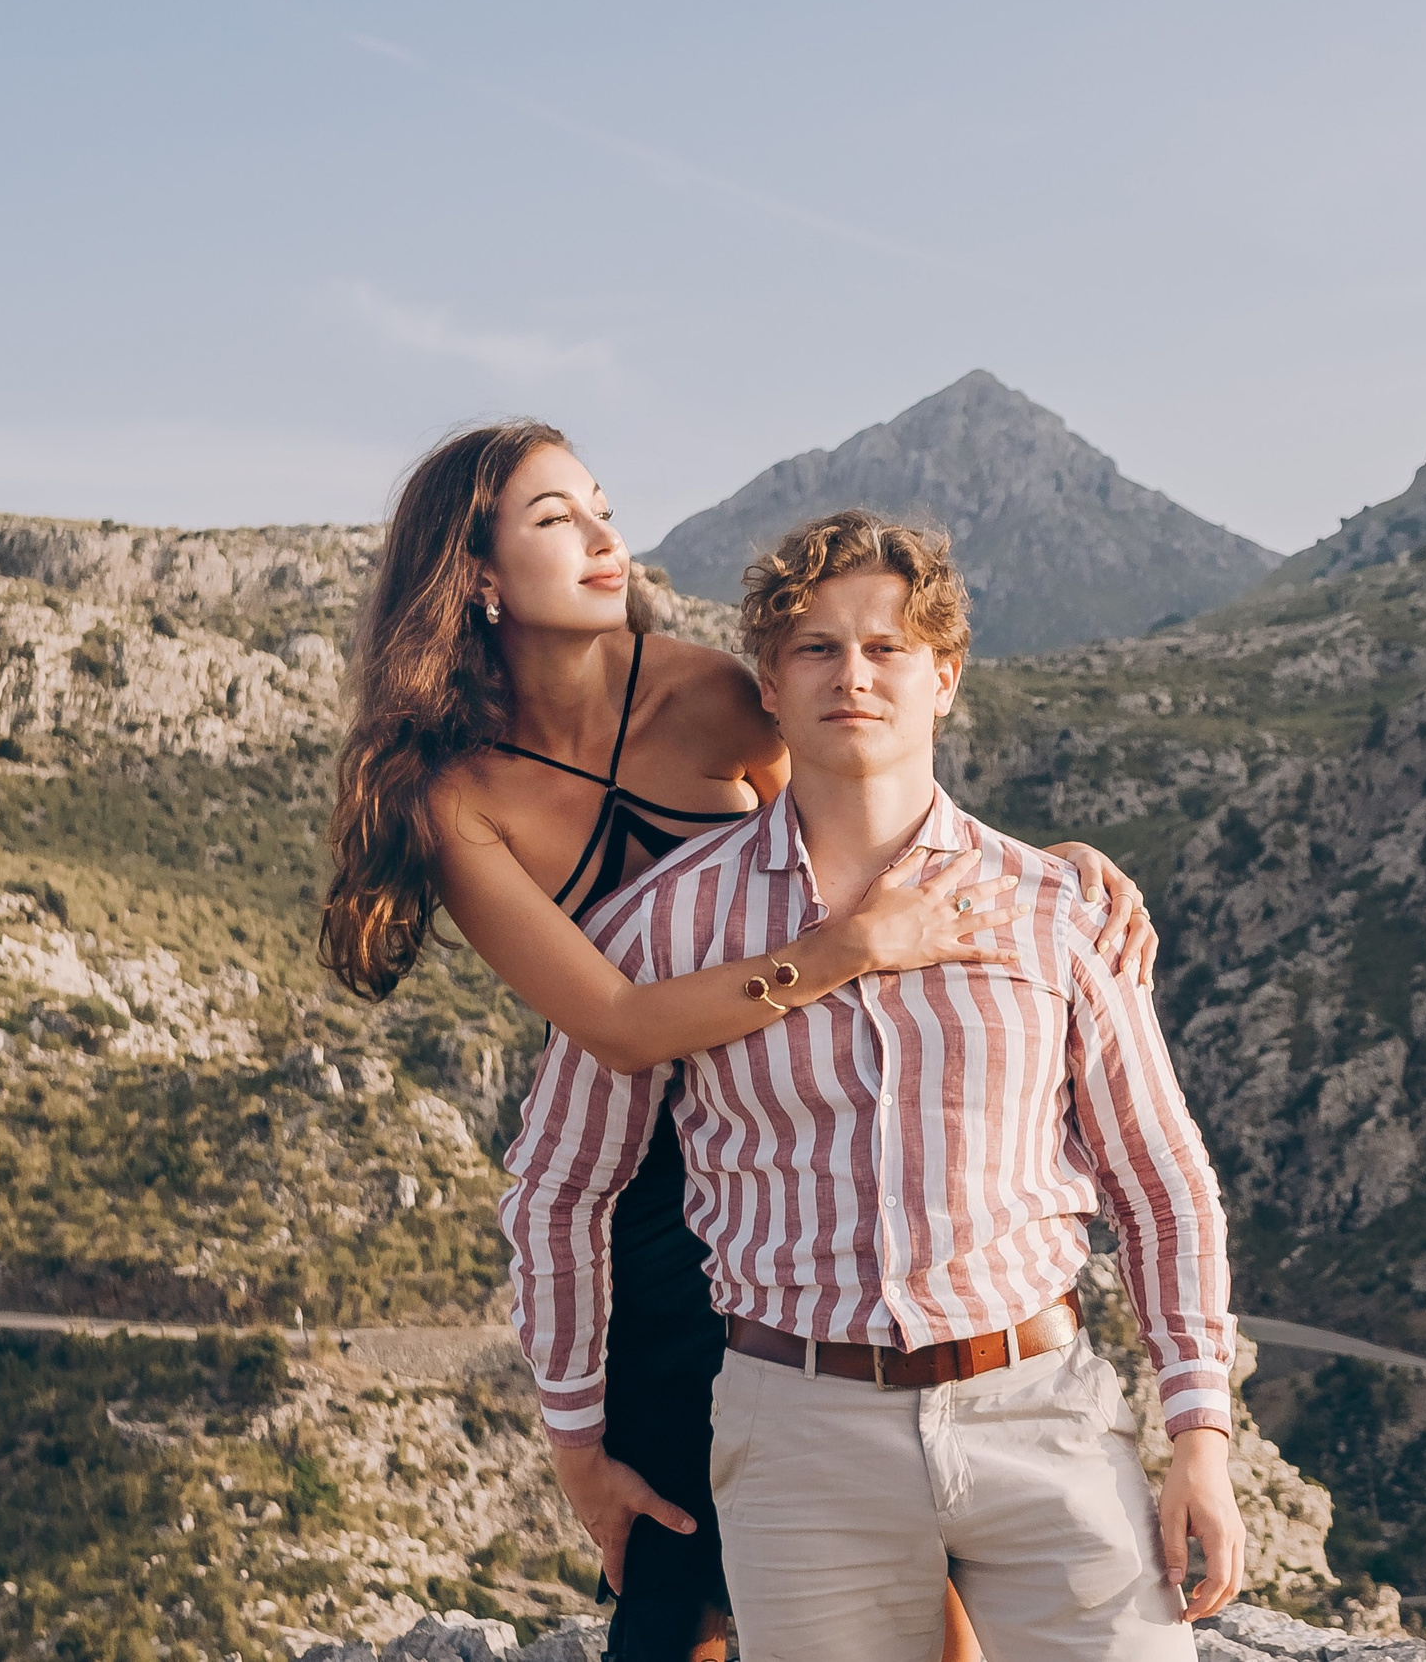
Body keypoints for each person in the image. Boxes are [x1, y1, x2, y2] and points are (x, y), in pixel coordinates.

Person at [320, 423, 1159, 1662]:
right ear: (478, 574)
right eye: (558, 520)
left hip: (787, 1135)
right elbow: (611, 1025)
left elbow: (864, 808)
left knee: (915, 1549)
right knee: (681, 1592)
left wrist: (1041, 871)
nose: (607, 539)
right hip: (640, 1189)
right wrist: (838, 958)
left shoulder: (716, 691)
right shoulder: (461, 797)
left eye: (603, 508)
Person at [500, 510, 1245, 1662]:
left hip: (1041, 1412)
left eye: (887, 647)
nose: (854, 674)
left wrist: (1200, 1433)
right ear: (771, 682)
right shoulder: (670, 924)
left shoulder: (1054, 909)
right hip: (795, 1433)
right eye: (817, 648)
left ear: (942, 677)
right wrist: (573, 1438)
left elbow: (1164, 1184)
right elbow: (557, 1185)